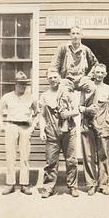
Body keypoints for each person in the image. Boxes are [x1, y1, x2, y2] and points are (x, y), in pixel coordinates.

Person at [39, 68, 79, 198]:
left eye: (55, 77)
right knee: (51, 161)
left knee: (71, 160)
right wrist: (42, 130)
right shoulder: (44, 96)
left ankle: (72, 186)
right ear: (47, 79)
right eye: (50, 77)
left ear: (59, 78)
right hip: (52, 131)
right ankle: (49, 187)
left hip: (69, 130)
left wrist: (67, 113)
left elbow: (77, 110)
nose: (53, 80)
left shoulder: (67, 93)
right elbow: (42, 115)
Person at [79, 63, 109, 196]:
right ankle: (91, 184)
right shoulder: (86, 89)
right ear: (93, 73)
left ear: (105, 74)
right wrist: (86, 109)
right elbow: (79, 107)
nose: (99, 75)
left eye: (102, 72)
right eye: (97, 72)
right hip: (87, 123)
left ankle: (103, 184)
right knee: (89, 155)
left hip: (103, 124)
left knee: (103, 155)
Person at [0, 71, 39, 195]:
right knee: (10, 155)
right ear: (15, 84)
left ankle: (24, 184)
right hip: (11, 125)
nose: (22, 86)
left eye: (24, 84)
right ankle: (10, 184)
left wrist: (32, 126)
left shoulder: (31, 97)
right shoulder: (7, 97)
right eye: (20, 84)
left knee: (24, 156)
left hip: (25, 127)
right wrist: (3, 126)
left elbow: (37, 113)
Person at [51, 26, 99, 101]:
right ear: (70, 35)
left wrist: (89, 77)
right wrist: (60, 79)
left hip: (82, 81)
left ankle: (86, 109)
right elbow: (54, 66)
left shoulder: (85, 50)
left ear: (81, 35)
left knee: (93, 88)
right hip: (67, 80)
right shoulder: (63, 48)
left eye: (78, 33)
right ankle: (67, 112)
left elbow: (96, 65)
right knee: (61, 91)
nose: (75, 36)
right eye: (73, 33)